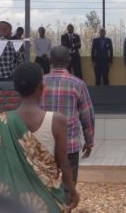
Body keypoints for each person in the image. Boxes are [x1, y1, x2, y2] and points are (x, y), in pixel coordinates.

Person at [0, 62, 79, 212]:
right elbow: (64, 165)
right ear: (41, 87)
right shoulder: (57, 121)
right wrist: (73, 192)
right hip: (49, 202)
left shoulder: (2, 121)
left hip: (14, 204)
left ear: (16, 89)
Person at [40, 46, 95, 183]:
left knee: (45, 186)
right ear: (69, 60)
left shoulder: (39, 83)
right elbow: (87, 117)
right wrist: (89, 142)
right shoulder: (78, 84)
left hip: (43, 144)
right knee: (68, 186)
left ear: (50, 60)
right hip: (69, 145)